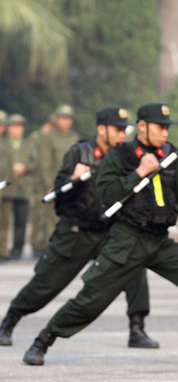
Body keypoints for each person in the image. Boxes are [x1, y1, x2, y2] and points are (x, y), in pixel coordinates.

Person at [21, 103, 178, 369]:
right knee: (90, 300)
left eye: (167, 127)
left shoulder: (170, 153)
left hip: (159, 240)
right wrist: (139, 172)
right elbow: (107, 195)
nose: (165, 133)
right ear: (142, 126)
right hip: (128, 239)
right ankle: (42, 341)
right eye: (160, 127)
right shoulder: (121, 155)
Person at [0, 107, 157, 349]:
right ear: (101, 129)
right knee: (45, 285)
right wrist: (72, 180)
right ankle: (9, 322)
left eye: (125, 130)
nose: (122, 135)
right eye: (117, 129)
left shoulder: (126, 156)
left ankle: (137, 328)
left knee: (134, 266)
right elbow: (58, 196)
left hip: (108, 231)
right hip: (76, 232)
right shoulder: (79, 152)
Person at [33, 105, 79, 256]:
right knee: (52, 218)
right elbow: (44, 164)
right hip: (54, 183)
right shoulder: (49, 137)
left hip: (71, 184)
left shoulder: (74, 138)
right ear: (56, 119)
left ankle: (67, 248)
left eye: (68, 119)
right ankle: (50, 250)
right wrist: (49, 185)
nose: (65, 122)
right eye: (62, 118)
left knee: (71, 217)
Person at [0, 114, 37, 260]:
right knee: (4, 221)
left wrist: (25, 167)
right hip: (6, 188)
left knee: (21, 220)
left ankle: (17, 249)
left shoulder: (28, 145)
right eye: (13, 126)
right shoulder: (3, 143)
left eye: (19, 126)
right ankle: (2, 250)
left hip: (23, 188)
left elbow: (36, 163)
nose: (16, 130)